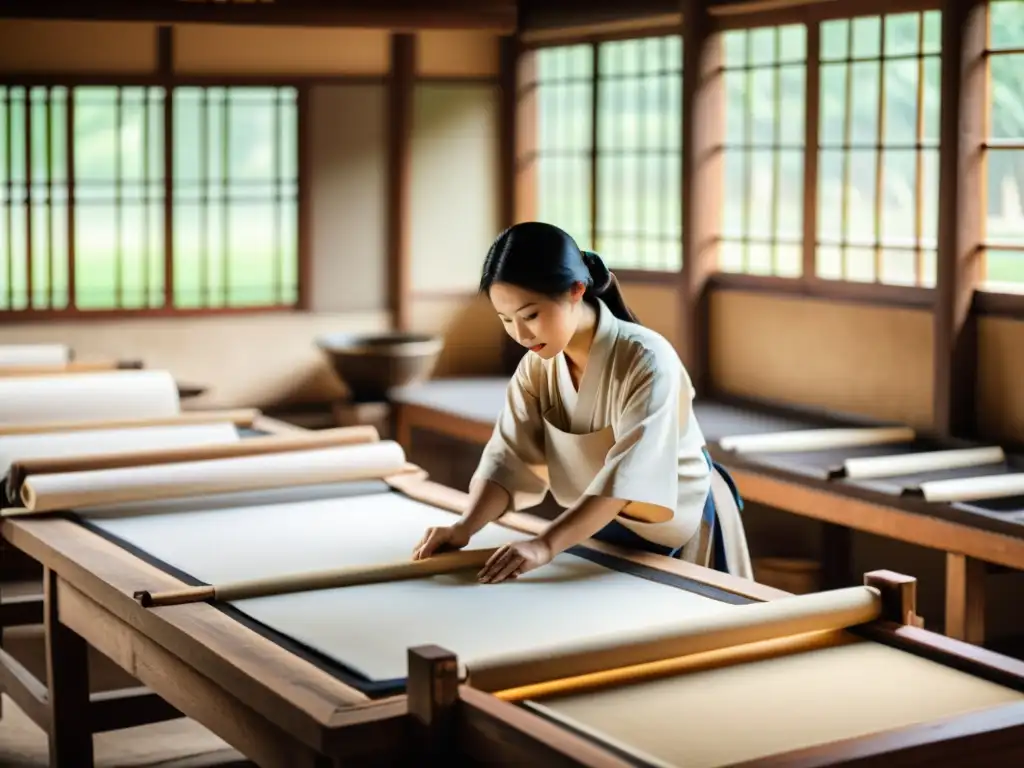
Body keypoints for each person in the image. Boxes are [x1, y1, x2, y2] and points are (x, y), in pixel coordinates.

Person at [412, 222, 751, 584]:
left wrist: (545, 544)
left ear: (576, 290)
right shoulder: (536, 368)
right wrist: (465, 527)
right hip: (603, 529)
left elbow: (627, 477)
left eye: (530, 316)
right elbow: (507, 459)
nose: (521, 334)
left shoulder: (648, 359)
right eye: (506, 320)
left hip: (679, 525)